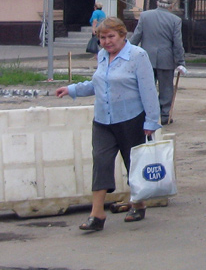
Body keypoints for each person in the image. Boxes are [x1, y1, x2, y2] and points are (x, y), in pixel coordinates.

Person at [56, 17, 160, 231]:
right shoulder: (103, 56)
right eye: (102, 38)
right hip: (103, 120)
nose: (106, 42)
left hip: (131, 119)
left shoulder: (137, 56)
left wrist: (151, 120)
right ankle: (97, 214)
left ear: (123, 35)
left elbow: (149, 91)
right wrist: (72, 90)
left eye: (111, 36)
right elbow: (98, 83)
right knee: (101, 162)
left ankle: (138, 203)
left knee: (133, 164)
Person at [128, 0, 186, 123]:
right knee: (166, 88)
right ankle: (164, 116)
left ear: (157, 3)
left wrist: (126, 52)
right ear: (171, 6)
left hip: (146, 58)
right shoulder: (175, 20)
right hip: (166, 59)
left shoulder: (145, 16)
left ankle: (146, 114)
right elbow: (177, 43)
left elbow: (136, 37)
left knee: (147, 87)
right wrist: (180, 62)